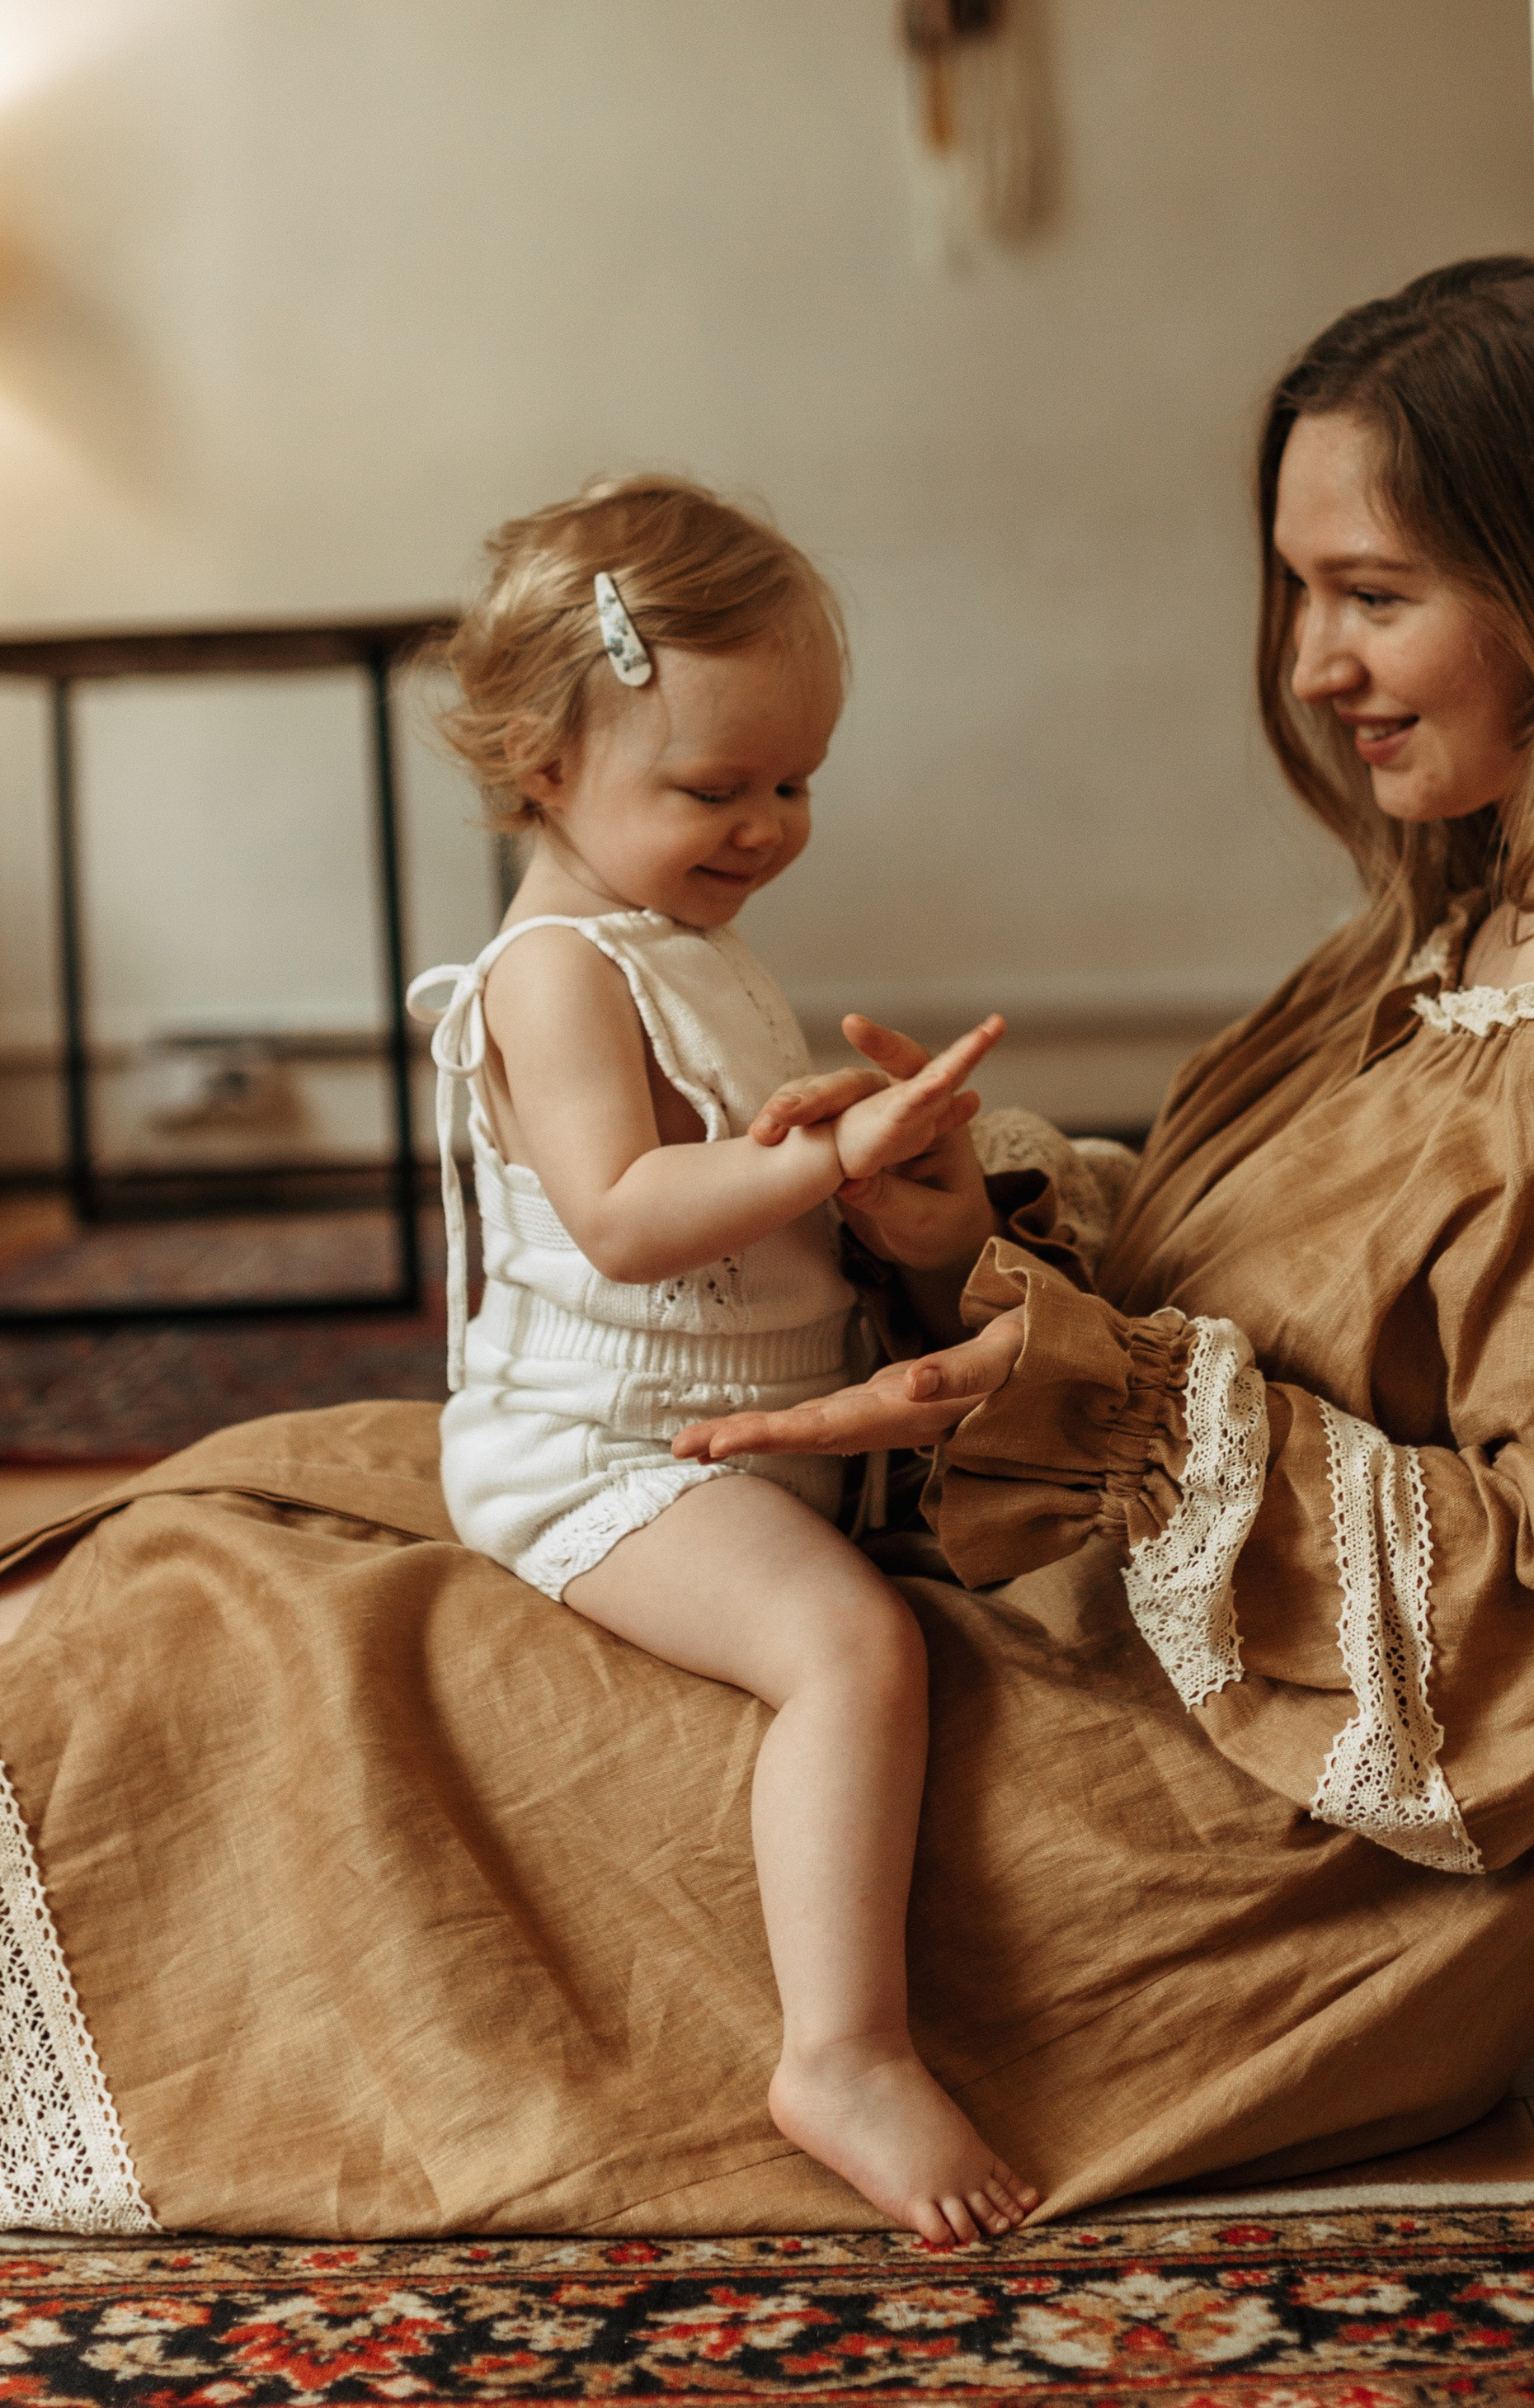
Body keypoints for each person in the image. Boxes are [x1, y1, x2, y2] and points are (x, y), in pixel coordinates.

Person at [0, 258, 1534, 2241]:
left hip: (1233, 1794)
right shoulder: (1470, 907)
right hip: (1078, 1584)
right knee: (250, 1496)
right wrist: (963, 1234)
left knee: (284, 1660)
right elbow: (1244, 1267)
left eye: (1375, 595)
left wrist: (1106, 1401)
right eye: (1298, 589)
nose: (1313, 664)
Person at [408, 472, 1032, 2248]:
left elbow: (728, 1177)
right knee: (850, 1646)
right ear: (543, 765)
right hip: (600, 1447)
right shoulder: (550, 970)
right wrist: (809, 1161)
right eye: (714, 789)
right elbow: (616, 1209)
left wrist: (846, 1151)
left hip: (730, 1418)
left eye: (793, 783)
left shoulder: (684, 941)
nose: (767, 826)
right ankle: (840, 2051)